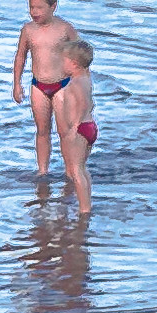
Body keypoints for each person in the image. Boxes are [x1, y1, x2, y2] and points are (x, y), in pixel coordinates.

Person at [11, 0, 83, 178]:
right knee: (42, 130)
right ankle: (43, 170)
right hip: (38, 86)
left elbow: (79, 57)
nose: (34, 12)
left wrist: (81, 86)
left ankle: (70, 171)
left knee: (64, 131)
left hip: (62, 85)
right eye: (31, 7)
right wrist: (17, 84)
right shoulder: (28, 30)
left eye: (39, 8)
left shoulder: (65, 29)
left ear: (53, 6)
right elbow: (20, 57)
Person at [58, 38, 99, 219]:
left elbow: (83, 105)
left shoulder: (75, 83)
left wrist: (74, 126)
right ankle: (86, 203)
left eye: (64, 60)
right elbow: (91, 103)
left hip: (80, 128)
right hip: (89, 127)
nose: (62, 63)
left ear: (74, 64)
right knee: (81, 168)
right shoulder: (85, 78)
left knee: (76, 169)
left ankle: (84, 209)